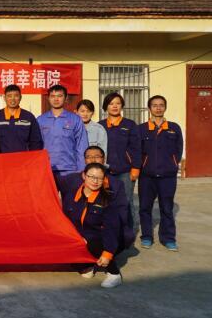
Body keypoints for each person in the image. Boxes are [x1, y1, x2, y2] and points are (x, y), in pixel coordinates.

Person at [60, 163, 134, 288]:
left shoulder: (107, 200)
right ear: (84, 176)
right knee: (71, 259)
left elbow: (112, 229)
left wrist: (107, 254)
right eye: (91, 177)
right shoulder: (72, 195)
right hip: (81, 236)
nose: (95, 181)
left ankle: (114, 273)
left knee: (93, 243)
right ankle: (89, 264)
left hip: (103, 239)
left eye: (99, 178)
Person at [138, 95, 183, 251]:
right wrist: (142, 166)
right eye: (155, 105)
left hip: (167, 176)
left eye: (161, 105)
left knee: (167, 208)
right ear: (149, 108)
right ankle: (146, 237)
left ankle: (168, 238)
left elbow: (179, 149)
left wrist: (172, 163)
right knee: (145, 208)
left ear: (165, 107)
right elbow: (138, 151)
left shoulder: (174, 128)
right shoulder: (142, 128)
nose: (158, 108)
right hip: (147, 176)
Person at [99, 92, 141, 231]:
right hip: (105, 171)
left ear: (122, 105)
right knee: (106, 201)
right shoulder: (100, 126)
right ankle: (110, 230)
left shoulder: (130, 125)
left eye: (118, 103)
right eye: (111, 103)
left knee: (126, 201)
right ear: (106, 106)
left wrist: (135, 168)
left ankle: (129, 231)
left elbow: (136, 148)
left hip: (125, 171)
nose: (114, 106)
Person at [37, 85, 88, 179]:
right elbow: (36, 146)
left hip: (70, 169)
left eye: (59, 96)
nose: (56, 99)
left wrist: (82, 169)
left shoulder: (75, 119)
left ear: (66, 98)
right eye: (52, 96)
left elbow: (81, 146)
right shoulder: (40, 120)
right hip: (47, 169)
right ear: (48, 98)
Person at [0, 85, 43, 153]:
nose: (13, 99)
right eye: (9, 96)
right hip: (1, 158)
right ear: (4, 98)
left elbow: (36, 141)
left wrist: (33, 157)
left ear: (20, 97)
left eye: (16, 96)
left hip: (23, 158)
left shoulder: (29, 117)